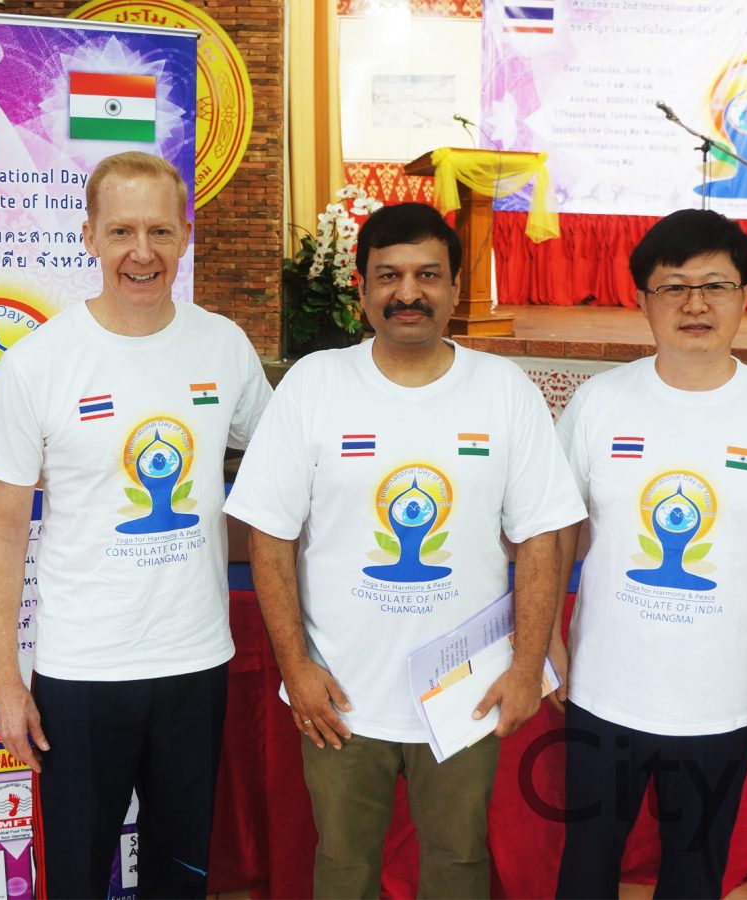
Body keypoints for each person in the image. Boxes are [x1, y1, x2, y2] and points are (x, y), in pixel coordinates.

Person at [225, 202, 586, 898]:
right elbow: (269, 535)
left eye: (428, 274)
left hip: (465, 694)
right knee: (344, 867)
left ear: (456, 288)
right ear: (360, 288)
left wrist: (525, 666)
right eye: (389, 275)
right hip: (340, 694)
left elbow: (542, 538)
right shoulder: (315, 384)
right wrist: (297, 667)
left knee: (458, 863)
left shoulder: (504, 391)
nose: (408, 293)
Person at [0, 151, 271, 899]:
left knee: (181, 872)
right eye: (122, 231)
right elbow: (2, 530)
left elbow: (281, 460)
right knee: (76, 873)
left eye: (160, 231)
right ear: (90, 237)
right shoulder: (39, 364)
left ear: (185, 235)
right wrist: (5, 682)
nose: (143, 252)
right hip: (83, 671)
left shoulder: (223, 345)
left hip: (196, 660)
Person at [549, 208, 747, 898]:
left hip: (721, 703)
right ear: (642, 300)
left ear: (746, 295)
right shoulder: (599, 403)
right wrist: (549, 642)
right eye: (674, 287)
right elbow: (557, 534)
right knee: (585, 867)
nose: (696, 304)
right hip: (602, 692)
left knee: (695, 874)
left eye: (716, 285)